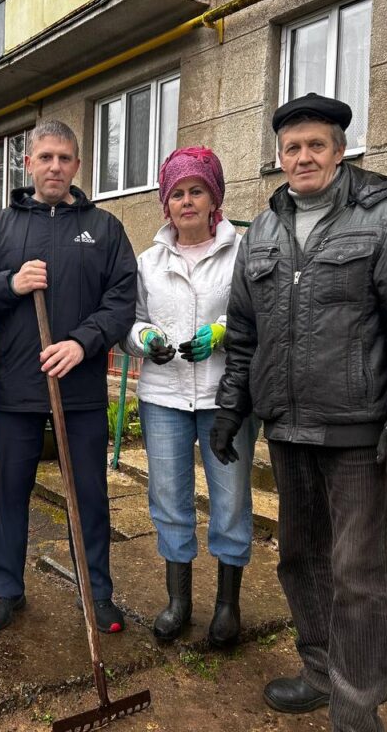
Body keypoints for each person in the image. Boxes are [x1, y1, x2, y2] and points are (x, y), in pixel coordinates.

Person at [211, 93, 387, 731]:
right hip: (286, 426)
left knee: (358, 571)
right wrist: (232, 409)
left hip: (356, 429)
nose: (303, 157)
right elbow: (243, 333)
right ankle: (318, 671)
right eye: (292, 147)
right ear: (279, 157)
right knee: (299, 557)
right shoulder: (261, 229)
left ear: (341, 152)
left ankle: (356, 703)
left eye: (317, 145)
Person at [0, 120, 137, 633]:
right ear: (28, 163)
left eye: (64, 158)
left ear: (77, 166)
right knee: (9, 492)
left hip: (80, 389)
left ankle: (97, 592)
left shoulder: (104, 228)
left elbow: (121, 300)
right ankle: (5, 590)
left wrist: (82, 342)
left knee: (88, 495)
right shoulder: (0, 228)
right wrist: (9, 283)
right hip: (17, 387)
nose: (55, 166)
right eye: (45, 157)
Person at [124, 146, 255, 646]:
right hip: (164, 397)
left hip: (228, 399)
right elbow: (130, 324)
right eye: (176, 193)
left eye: (196, 190)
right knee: (169, 498)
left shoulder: (241, 252)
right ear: (165, 203)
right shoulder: (149, 261)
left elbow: (255, 312)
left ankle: (227, 605)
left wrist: (221, 332)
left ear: (213, 197)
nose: (186, 202)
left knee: (230, 498)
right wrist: (147, 341)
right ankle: (179, 601)